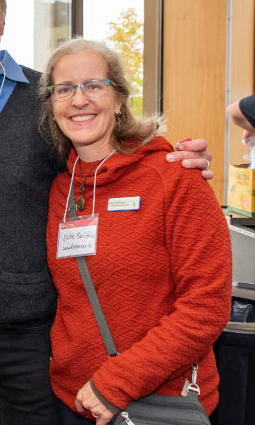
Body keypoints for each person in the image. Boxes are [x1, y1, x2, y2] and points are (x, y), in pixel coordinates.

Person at [0, 0, 214, 425]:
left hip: (29, 337)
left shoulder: (43, 101)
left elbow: (113, 149)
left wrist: (176, 157)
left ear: (4, 20)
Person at [39, 38, 231, 424]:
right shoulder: (64, 187)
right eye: (65, 89)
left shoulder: (174, 177)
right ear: (52, 105)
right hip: (72, 399)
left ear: (120, 98)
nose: (79, 100)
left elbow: (206, 306)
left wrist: (115, 383)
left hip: (156, 403)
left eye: (94, 85)